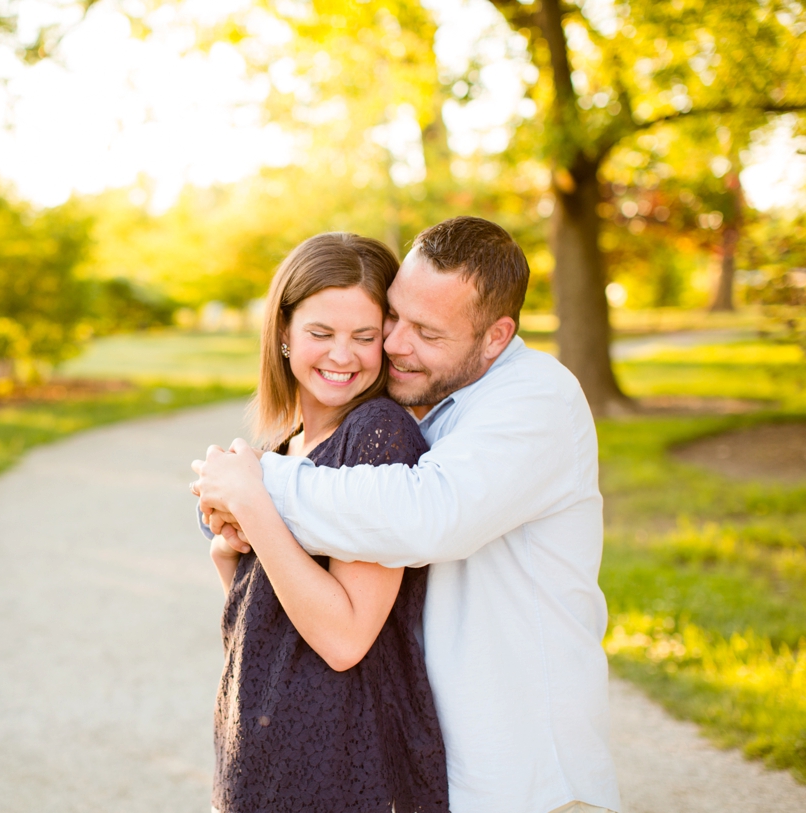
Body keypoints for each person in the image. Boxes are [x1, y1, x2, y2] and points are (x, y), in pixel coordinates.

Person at [193, 217, 622, 813]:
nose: (393, 344)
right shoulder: (429, 402)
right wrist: (234, 540)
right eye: (395, 316)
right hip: (430, 753)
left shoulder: (533, 399)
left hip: (522, 769)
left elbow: (422, 517)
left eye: (425, 330)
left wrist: (254, 486)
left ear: (495, 337)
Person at [201, 232, 449, 813]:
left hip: (342, 765)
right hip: (259, 758)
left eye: (364, 337)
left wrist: (256, 508)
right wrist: (230, 560)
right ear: (283, 333)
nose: (343, 356)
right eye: (320, 334)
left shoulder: (379, 437)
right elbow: (274, 633)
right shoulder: (284, 444)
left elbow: (344, 639)